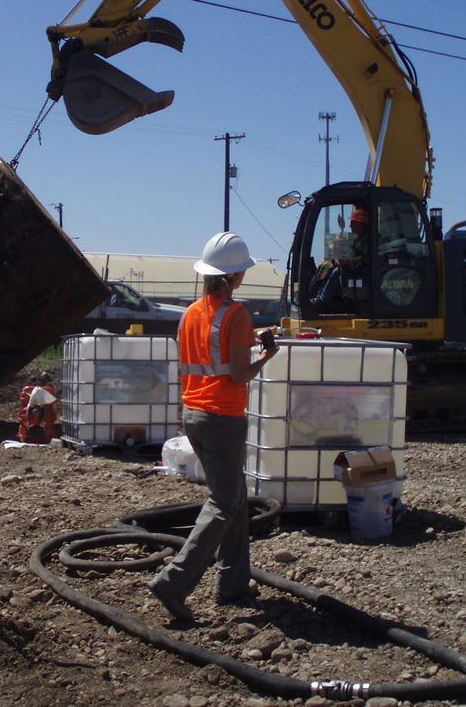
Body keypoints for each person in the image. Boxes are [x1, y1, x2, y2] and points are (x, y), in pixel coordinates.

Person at [147, 231, 279, 622]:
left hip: (193, 416)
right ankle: (174, 580)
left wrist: (246, 342)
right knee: (223, 503)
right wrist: (266, 357)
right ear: (237, 275)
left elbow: (210, 349)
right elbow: (238, 376)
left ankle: (233, 583)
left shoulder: (190, 313)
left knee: (234, 496)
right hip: (223, 418)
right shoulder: (236, 315)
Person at [309, 205, 369, 311]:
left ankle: (323, 300)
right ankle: (316, 294)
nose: (350, 226)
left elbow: (367, 258)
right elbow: (345, 245)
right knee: (327, 266)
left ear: (361, 224)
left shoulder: (368, 240)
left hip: (363, 271)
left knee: (337, 271)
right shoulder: (357, 239)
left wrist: (348, 261)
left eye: (353, 223)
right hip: (353, 267)